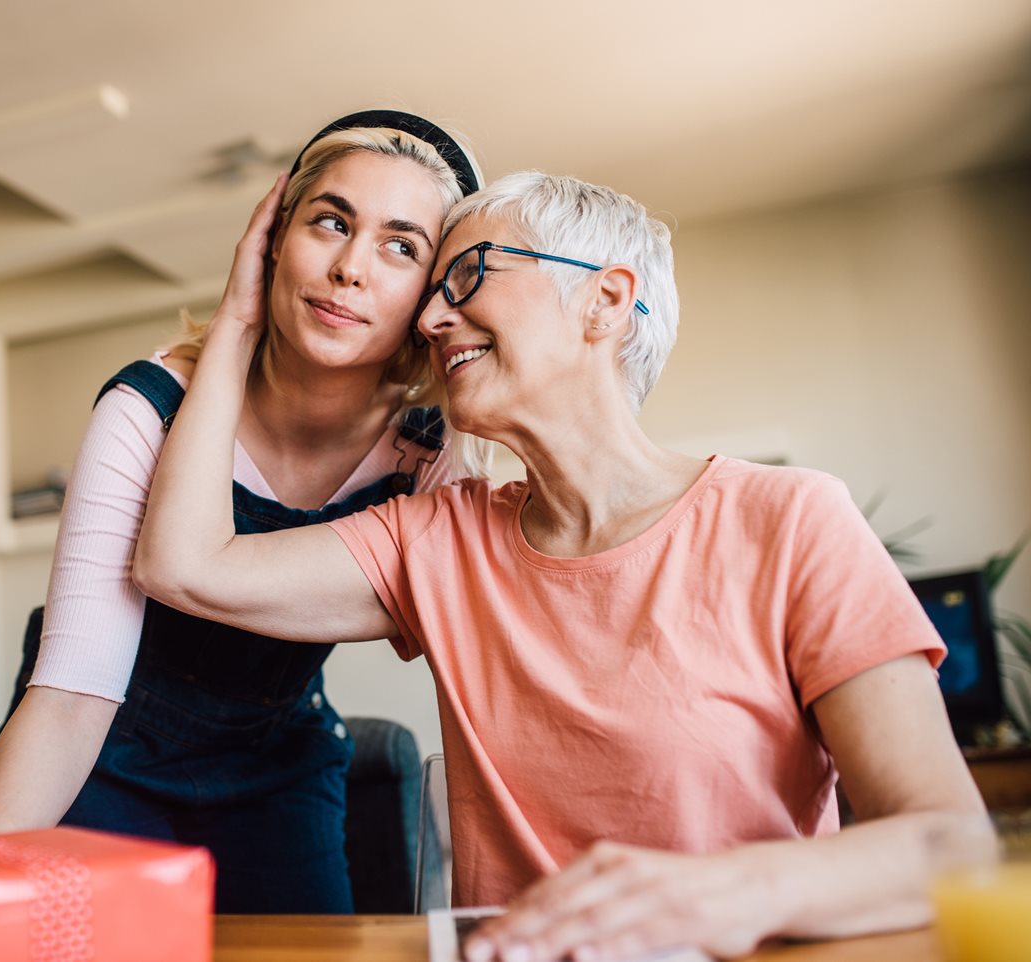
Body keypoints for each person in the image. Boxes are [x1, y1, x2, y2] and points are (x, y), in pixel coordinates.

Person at [132, 170, 995, 961]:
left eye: (468, 277)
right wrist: (241, 322)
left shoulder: (791, 520)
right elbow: (184, 564)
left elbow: (950, 844)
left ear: (606, 301)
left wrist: (710, 895)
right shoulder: (438, 539)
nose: (431, 319)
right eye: (434, 295)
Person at [0, 109, 485, 962]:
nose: (351, 268)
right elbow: (70, 696)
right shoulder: (145, 408)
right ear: (273, 241)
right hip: (105, 748)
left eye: (401, 247)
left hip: (280, 760)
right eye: (330, 221)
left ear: (432, 291)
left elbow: (449, 646)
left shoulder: (428, 448)